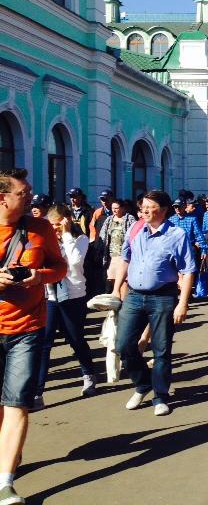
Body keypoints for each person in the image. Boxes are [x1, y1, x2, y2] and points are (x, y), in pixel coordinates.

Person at [0, 168, 66, 505]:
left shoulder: (40, 228)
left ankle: (5, 483)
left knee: (17, 404)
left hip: (27, 328)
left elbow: (60, 267)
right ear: (3, 198)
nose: (31, 198)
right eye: (23, 194)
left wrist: (37, 277)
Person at [112, 189, 196, 416]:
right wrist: (116, 288)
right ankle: (142, 384)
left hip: (163, 297)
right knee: (123, 345)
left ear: (164, 210)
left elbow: (187, 271)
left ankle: (160, 395)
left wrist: (183, 303)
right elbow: (125, 258)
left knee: (161, 349)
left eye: (151, 207)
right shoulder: (135, 228)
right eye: (143, 207)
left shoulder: (176, 235)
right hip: (134, 295)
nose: (145, 211)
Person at [34, 205, 98, 410]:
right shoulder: (47, 241)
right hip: (50, 296)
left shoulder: (80, 239)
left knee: (76, 339)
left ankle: (88, 375)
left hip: (73, 297)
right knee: (45, 344)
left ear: (67, 221)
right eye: (51, 226)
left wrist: (68, 234)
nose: (54, 230)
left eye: (57, 226)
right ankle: (37, 393)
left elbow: (74, 263)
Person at [100, 199, 136, 300]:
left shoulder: (129, 218)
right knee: (113, 279)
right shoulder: (109, 219)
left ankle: (123, 302)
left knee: (124, 279)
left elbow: (134, 234)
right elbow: (103, 235)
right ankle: (116, 302)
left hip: (124, 255)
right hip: (112, 255)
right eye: (113, 208)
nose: (114, 210)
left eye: (117, 208)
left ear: (123, 208)